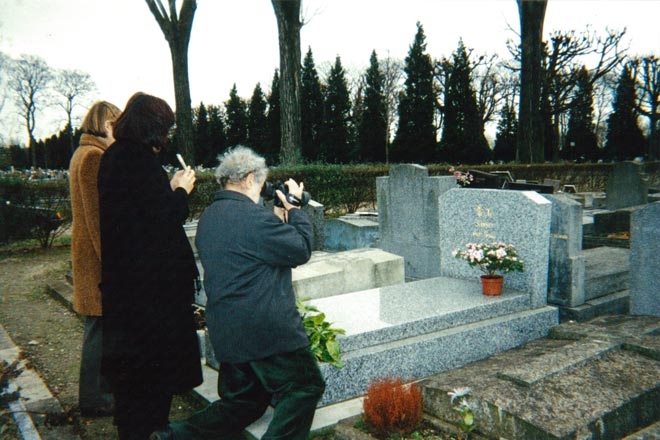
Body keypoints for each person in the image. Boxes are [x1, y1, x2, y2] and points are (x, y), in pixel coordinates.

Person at [150, 146, 325, 440]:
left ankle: (174, 436)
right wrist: (295, 208)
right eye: (261, 183)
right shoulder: (253, 219)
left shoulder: (210, 217)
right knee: (304, 387)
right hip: (266, 330)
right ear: (249, 178)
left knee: (244, 401)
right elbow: (300, 249)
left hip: (228, 331)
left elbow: (258, 251)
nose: (261, 191)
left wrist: (278, 216)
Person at [97, 92, 203, 440]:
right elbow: (163, 220)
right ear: (152, 127)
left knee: (132, 384)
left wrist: (166, 188)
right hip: (150, 294)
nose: (168, 136)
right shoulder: (139, 161)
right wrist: (181, 191)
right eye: (166, 129)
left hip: (128, 289)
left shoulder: (115, 156)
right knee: (151, 380)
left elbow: (139, 214)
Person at [69, 100, 121, 417]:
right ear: (104, 125)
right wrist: (112, 265)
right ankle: (91, 399)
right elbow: (96, 218)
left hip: (89, 254)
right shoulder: (93, 157)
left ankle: (99, 392)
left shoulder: (83, 153)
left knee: (99, 327)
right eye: (116, 125)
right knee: (98, 329)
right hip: (96, 259)